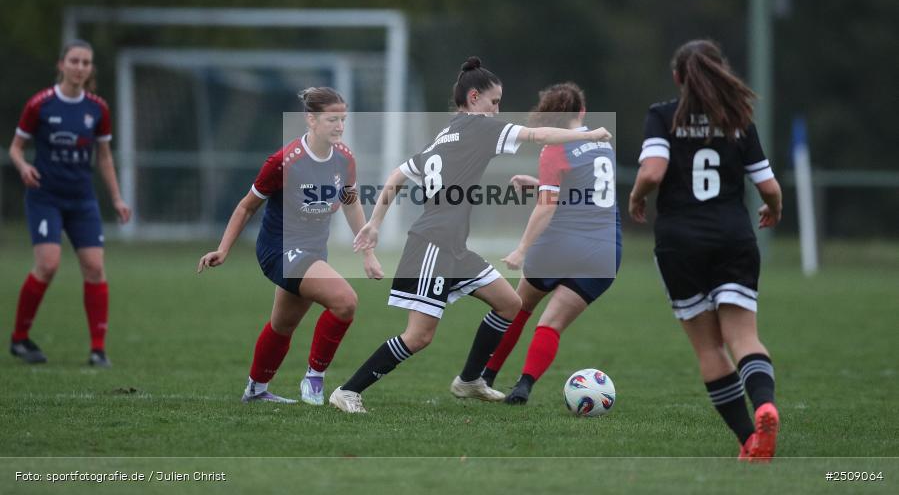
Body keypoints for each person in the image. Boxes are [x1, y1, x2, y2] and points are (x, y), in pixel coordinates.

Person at [329, 57, 613, 413]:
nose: (498, 110)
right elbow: (538, 135)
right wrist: (589, 133)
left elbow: (399, 174)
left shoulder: (448, 132)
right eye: (495, 102)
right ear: (474, 97)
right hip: (432, 246)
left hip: (453, 247)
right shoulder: (479, 127)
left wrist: (375, 222)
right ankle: (349, 390)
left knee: (510, 304)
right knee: (419, 336)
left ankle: (469, 381)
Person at [628, 39, 782, 461]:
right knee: (743, 336)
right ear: (722, 72)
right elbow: (767, 186)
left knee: (710, 349)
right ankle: (765, 404)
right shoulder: (738, 119)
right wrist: (774, 208)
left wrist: (637, 196)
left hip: (680, 243)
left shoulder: (664, 116)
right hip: (734, 237)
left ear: (678, 78)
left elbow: (654, 170)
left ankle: (749, 439)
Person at [197, 87, 383, 404]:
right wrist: (223, 249)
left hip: (312, 251)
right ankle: (314, 378)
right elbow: (246, 206)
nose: (339, 126)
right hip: (280, 249)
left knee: (283, 325)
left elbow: (351, 203)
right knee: (345, 302)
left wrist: (368, 253)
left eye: (343, 120)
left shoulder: (344, 158)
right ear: (311, 120)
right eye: (332, 119)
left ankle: (255, 391)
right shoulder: (285, 161)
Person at [478, 82, 621, 405]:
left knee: (518, 308)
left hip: (559, 245)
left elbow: (547, 207)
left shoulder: (554, 148)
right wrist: (541, 183)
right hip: (603, 251)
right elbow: (585, 187)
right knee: (551, 324)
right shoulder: (602, 143)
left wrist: (521, 249)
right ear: (581, 112)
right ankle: (523, 385)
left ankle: (486, 375)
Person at [9, 39, 131, 367]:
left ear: (90, 69)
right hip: (45, 197)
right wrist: (24, 167)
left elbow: (104, 157)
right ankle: (19, 339)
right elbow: (16, 148)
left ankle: (98, 349)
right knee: (48, 264)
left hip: (82, 199)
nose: (80, 67)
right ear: (61, 64)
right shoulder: (40, 105)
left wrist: (117, 198)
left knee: (94, 267)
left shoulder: (97, 109)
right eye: (74, 61)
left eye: (86, 62)